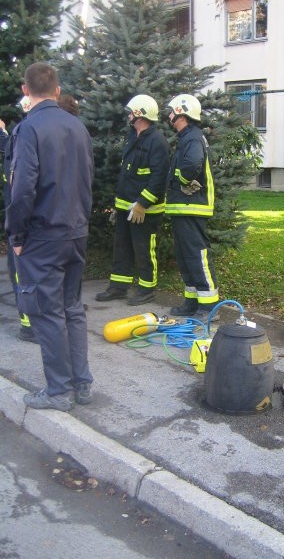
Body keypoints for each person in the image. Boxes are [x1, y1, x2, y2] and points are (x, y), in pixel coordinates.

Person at [5, 62, 94, 411]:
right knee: (72, 309)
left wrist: (16, 233)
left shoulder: (29, 129)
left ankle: (59, 392)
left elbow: (22, 189)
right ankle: (81, 385)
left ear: (26, 91)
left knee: (47, 313)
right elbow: (88, 179)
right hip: (75, 231)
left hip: (43, 235)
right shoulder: (77, 125)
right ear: (57, 91)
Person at [96, 94, 170, 306]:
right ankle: (119, 287)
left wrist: (142, 204)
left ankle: (147, 289)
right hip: (124, 206)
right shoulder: (133, 137)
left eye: (131, 111)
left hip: (145, 210)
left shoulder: (157, 142)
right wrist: (118, 205)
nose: (128, 115)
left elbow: (158, 178)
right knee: (122, 247)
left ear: (140, 114)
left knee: (144, 249)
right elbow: (127, 173)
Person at [165, 94, 219, 318]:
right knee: (186, 256)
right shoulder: (187, 137)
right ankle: (192, 301)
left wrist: (181, 179)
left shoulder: (193, 138)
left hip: (192, 206)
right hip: (183, 207)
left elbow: (192, 165)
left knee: (197, 255)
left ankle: (209, 306)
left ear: (182, 113)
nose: (169, 116)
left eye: (172, 112)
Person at [1, 97, 36, 343]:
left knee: (22, 269)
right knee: (23, 270)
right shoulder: (23, 136)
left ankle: (30, 322)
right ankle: (29, 325)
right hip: (21, 215)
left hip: (17, 213)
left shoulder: (17, 135)